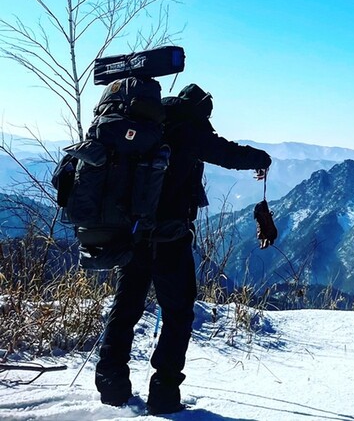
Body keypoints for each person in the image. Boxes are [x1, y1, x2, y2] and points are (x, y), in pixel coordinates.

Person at [94, 83, 272, 414]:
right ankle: (163, 392)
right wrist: (262, 158)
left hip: (132, 234)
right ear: (201, 109)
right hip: (169, 238)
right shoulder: (189, 127)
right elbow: (227, 153)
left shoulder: (149, 123)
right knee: (177, 314)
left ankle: (111, 382)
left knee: (126, 307)